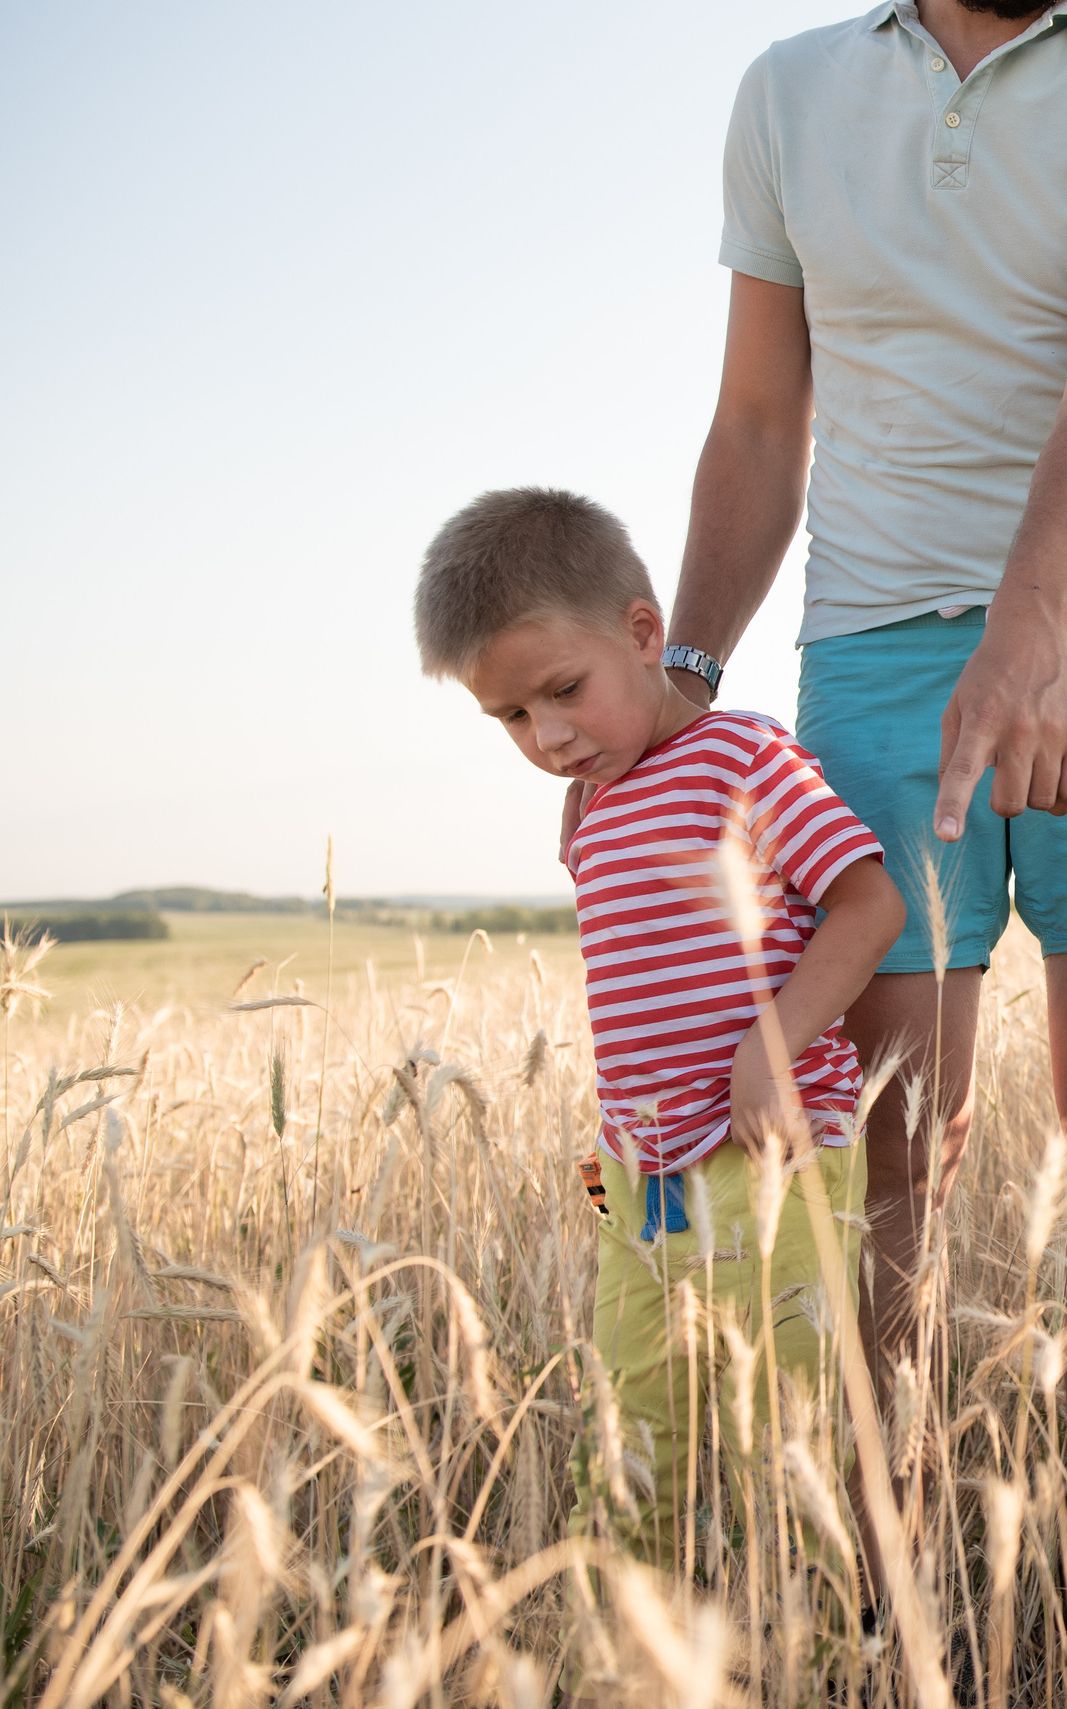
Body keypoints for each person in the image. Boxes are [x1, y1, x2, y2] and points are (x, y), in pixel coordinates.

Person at [611, 0, 1067, 1541]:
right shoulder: (787, 91)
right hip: (874, 662)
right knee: (892, 1154)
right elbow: (763, 421)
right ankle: (892, 1560)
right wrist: (684, 681)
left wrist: (1039, 629)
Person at [415, 486, 905, 1575]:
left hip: (767, 1158)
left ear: (644, 633)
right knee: (634, 1421)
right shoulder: (593, 808)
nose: (545, 736)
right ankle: (638, 1647)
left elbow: (869, 901)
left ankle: (812, 1654)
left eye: (563, 691)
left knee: (784, 1431)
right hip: (642, 1176)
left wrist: (765, 1051)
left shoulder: (744, 760)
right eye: (510, 717)